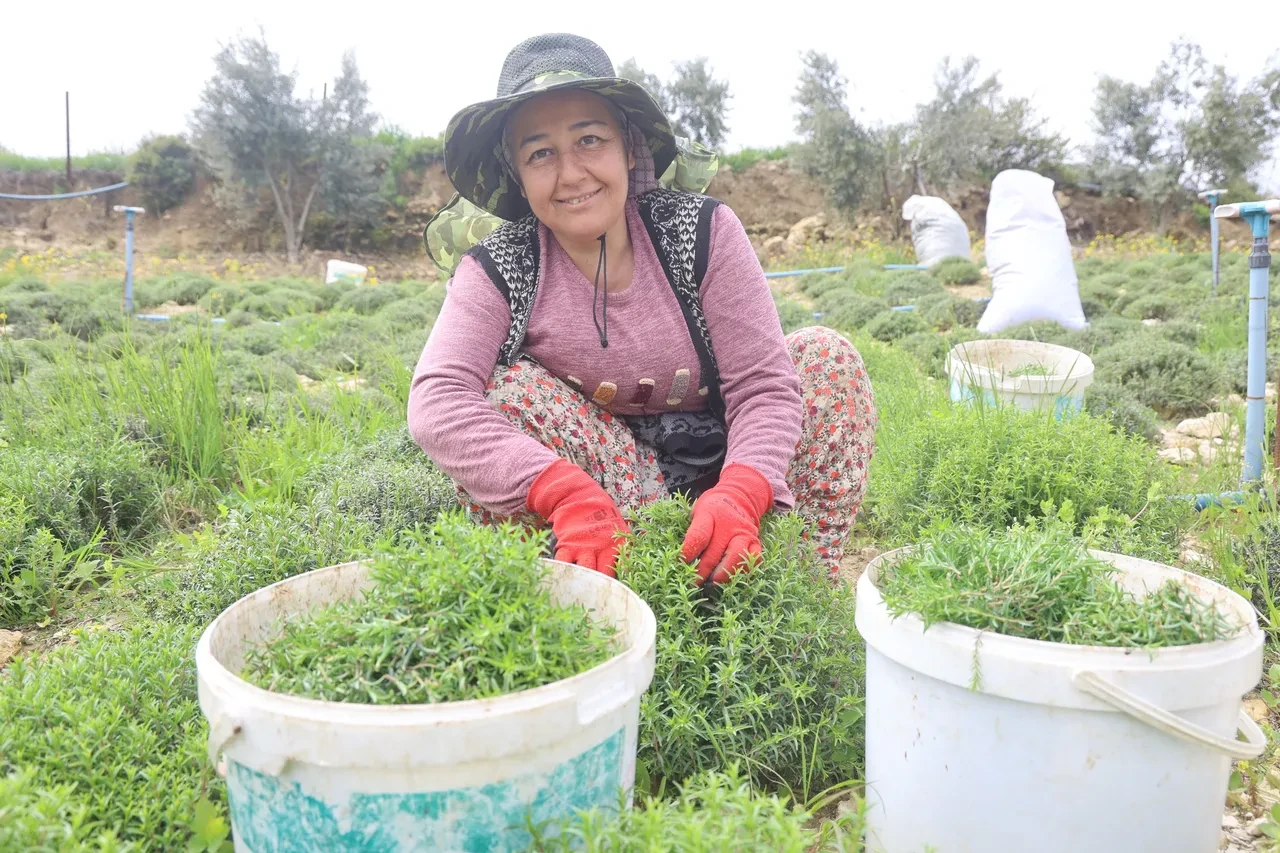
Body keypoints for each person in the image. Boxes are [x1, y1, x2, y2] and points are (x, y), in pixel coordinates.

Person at [408, 32, 876, 584]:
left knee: (825, 359)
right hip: (613, 494)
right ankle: (588, 598)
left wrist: (743, 490)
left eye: (590, 139)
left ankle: (792, 591)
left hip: (730, 466)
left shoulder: (699, 231)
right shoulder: (501, 266)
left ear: (629, 149)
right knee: (507, 394)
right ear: (517, 173)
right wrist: (563, 493)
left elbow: (763, 385)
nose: (571, 174)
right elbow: (438, 399)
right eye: (540, 153)